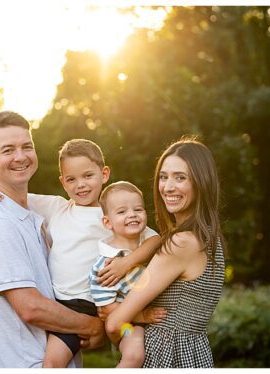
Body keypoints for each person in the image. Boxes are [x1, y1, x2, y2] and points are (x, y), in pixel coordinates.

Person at [0, 139, 163, 367]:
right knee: (53, 364)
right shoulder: (57, 207)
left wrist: (127, 263)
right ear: (62, 182)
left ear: (104, 174)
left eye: (88, 176)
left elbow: (154, 240)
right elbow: (11, 196)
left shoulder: (115, 215)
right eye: (71, 179)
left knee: (134, 355)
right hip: (65, 307)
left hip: (106, 305)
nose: (80, 185)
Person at [0, 111, 105, 368]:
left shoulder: (31, 213)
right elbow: (30, 307)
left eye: (26, 146)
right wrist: (94, 326)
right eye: (8, 150)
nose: (20, 157)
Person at [106, 138, 226, 368]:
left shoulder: (181, 243)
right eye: (164, 177)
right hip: (194, 354)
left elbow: (115, 323)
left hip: (165, 355)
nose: (168, 187)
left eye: (180, 177)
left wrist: (120, 341)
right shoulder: (210, 238)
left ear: (201, 182)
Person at [88, 181, 158, 367]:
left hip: (150, 314)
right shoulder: (104, 266)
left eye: (138, 209)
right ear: (107, 222)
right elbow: (107, 309)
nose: (132, 215)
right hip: (128, 323)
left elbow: (158, 240)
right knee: (134, 356)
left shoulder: (147, 241)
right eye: (122, 212)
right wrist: (144, 316)